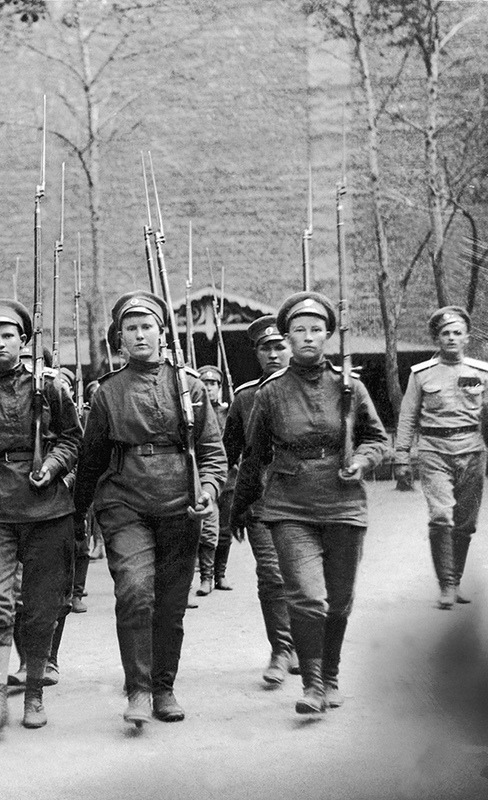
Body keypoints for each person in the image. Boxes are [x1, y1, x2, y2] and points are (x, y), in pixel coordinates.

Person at [232, 292, 389, 715]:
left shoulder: (349, 387)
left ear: (327, 336)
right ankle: (314, 685)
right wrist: (240, 507)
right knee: (307, 597)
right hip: (290, 506)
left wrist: (361, 460)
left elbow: (378, 438)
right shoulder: (271, 393)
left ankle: (332, 674)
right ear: (287, 336)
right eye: (298, 330)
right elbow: (255, 455)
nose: (307, 337)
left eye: (315, 330)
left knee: (339, 601)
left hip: (344, 503)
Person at [74, 291, 225, 726]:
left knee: (171, 603)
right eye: (131, 328)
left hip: (181, 503)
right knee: (135, 591)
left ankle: (163, 687)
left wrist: (209, 490)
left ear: (162, 333)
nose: (140, 335)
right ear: (119, 339)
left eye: (147, 327)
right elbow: (92, 459)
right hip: (124, 502)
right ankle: (137, 689)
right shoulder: (107, 393)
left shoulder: (191, 386)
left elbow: (212, 451)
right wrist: (79, 514)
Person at [0, 299, 80, 733]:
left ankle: (33, 694)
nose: (0, 343)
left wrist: (55, 464)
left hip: (47, 508)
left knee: (43, 604)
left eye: (8, 335)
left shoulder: (49, 388)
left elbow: (72, 439)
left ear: (24, 341)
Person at [394, 306, 488, 609]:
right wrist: (401, 456)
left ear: (466, 338)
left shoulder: (482, 373)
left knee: (465, 523)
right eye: (445, 333)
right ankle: (446, 585)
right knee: (441, 516)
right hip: (434, 450)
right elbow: (408, 416)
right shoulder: (421, 375)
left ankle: (456, 581)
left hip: (473, 449)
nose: (451, 338)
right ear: (437, 338)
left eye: (457, 333)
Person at [222, 315, 298, 685]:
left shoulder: (316, 386)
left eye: (279, 346)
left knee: (303, 578)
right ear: (256, 353)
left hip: (308, 498)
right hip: (263, 500)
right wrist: (230, 501)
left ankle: (305, 644)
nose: (273, 354)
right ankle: (281, 650)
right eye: (265, 348)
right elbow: (227, 452)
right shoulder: (245, 397)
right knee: (271, 575)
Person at [194, 364, 231, 596]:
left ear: (220, 387)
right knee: (206, 528)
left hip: (230, 478)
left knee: (224, 530)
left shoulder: (229, 411)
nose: (208, 388)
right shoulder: (196, 411)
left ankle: (221, 574)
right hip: (204, 476)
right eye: (204, 383)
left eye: (213, 384)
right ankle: (205, 577)